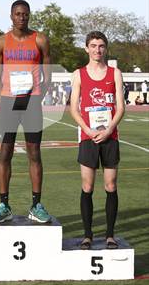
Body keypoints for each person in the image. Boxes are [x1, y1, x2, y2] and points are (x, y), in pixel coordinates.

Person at [0, 0, 52, 223]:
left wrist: (38, 95)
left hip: (32, 102)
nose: (21, 18)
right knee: (5, 152)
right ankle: (3, 205)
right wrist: (2, 96)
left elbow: (48, 74)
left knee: (34, 153)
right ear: (11, 16)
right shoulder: (0, 42)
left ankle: (36, 205)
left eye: (25, 14)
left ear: (29, 16)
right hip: (9, 102)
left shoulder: (40, 40)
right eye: (17, 14)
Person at [70, 31, 125, 250]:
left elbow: (120, 107)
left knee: (110, 185)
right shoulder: (79, 74)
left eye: (101, 46)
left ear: (106, 48)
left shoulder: (115, 73)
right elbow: (73, 108)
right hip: (88, 137)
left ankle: (110, 235)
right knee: (87, 186)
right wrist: (88, 129)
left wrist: (109, 128)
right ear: (86, 48)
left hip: (110, 136)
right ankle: (87, 235)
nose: (97, 50)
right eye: (93, 46)